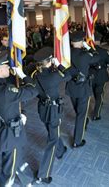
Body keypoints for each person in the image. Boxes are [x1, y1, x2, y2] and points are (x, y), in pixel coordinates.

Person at [0, 51, 38, 187]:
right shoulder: (6, 90)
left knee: (14, 158)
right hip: (11, 134)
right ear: (0, 69)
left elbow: (8, 105)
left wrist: (20, 114)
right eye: (6, 67)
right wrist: (23, 75)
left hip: (4, 128)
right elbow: (33, 90)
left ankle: (25, 180)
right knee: (9, 168)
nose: (9, 68)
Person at [30, 47, 71, 184]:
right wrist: (58, 64)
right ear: (49, 61)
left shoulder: (34, 75)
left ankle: (60, 150)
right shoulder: (53, 75)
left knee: (52, 131)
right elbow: (69, 74)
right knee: (52, 140)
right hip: (53, 111)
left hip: (42, 109)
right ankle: (43, 174)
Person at [65, 31, 100, 148]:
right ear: (81, 42)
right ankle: (77, 141)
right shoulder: (85, 55)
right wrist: (88, 47)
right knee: (81, 114)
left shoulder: (65, 53)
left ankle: (84, 122)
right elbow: (97, 57)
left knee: (77, 109)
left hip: (71, 86)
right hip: (83, 88)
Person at [89, 44, 109, 120]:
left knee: (95, 92)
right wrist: (104, 65)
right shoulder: (104, 51)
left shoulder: (88, 52)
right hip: (101, 76)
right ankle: (96, 115)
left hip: (92, 76)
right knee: (99, 95)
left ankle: (98, 103)